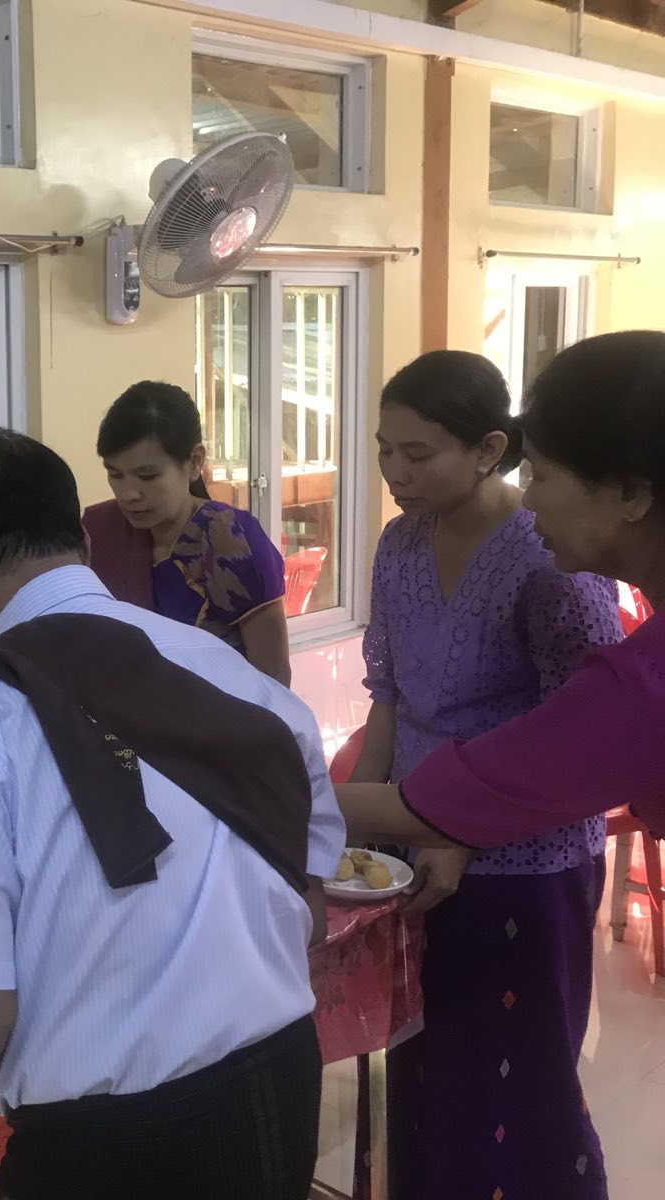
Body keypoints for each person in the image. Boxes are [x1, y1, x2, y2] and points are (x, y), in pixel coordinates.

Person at [0, 427, 346, 1198]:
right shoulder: (230, 674)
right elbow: (309, 913)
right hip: (281, 1090)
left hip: (117, 1148)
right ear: (81, 542)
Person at [353, 351, 620, 1200]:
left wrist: (463, 834)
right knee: (424, 1069)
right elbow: (389, 700)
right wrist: (360, 835)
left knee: (515, 1080)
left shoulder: (552, 557)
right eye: (383, 450)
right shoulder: (399, 544)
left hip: (525, 863)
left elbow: (579, 739)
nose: (394, 472)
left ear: (489, 449)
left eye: (417, 453)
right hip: (413, 844)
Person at [337, 331, 665, 874]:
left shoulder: (641, 684)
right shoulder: (400, 542)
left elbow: (512, 775)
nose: (529, 498)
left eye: (541, 474)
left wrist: (277, 802)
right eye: (385, 449)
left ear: (630, 493)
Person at [83, 381, 292, 684]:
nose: (128, 494)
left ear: (195, 462)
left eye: (147, 476)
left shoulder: (230, 541)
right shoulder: (100, 532)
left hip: (224, 710)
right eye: (115, 474)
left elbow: (274, 680)